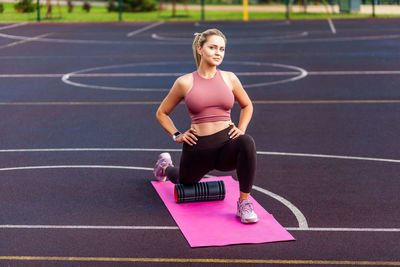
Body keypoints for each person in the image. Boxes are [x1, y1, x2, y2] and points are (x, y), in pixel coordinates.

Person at [154, 28, 258, 224]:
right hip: (198, 148)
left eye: (222, 49)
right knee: (185, 181)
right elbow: (161, 113)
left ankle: (244, 203)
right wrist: (177, 134)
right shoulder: (184, 82)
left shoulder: (230, 78)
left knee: (246, 142)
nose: (218, 52)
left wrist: (241, 128)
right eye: (213, 47)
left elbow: (247, 105)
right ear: (200, 49)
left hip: (227, 145)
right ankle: (165, 167)